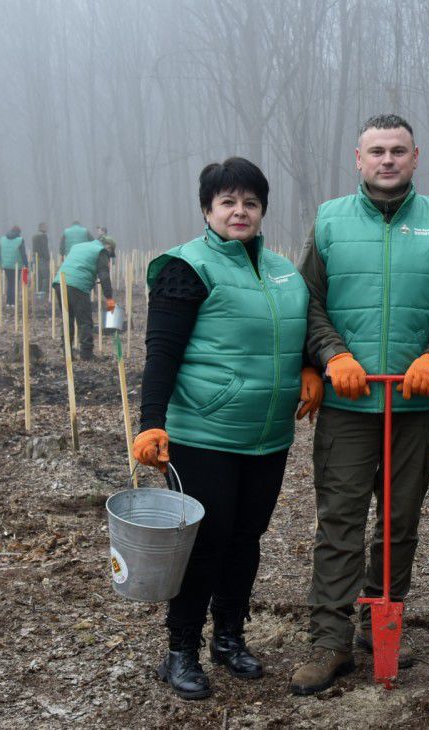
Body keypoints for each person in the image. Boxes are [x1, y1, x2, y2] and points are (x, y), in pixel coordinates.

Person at [291, 113, 429, 695]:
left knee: (399, 522)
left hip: (414, 401)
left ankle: (383, 623)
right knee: (340, 521)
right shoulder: (329, 220)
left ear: (416, 156)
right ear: (358, 158)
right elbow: (308, 299)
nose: (387, 160)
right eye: (376, 150)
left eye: (398, 150)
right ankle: (329, 640)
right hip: (350, 404)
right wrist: (330, 355)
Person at [130, 157, 321, 701]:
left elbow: (299, 330)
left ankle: (229, 638)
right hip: (203, 433)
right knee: (204, 544)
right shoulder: (185, 267)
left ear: (263, 210)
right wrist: (151, 423)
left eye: (251, 203)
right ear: (207, 209)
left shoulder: (284, 271)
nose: (240, 211)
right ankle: (180, 651)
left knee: (245, 540)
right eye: (228, 202)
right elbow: (161, 351)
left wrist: (310, 367)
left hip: (268, 435)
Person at [52, 233, 115, 360]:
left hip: (60, 282)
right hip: (77, 286)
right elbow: (104, 275)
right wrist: (109, 298)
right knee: (84, 321)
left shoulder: (79, 246)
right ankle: (86, 354)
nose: (109, 256)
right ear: (107, 246)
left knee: (67, 318)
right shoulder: (101, 251)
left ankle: (67, 354)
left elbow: (81, 265)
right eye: (110, 252)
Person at [0, 226, 28, 305]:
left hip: (6, 265)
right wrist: (26, 264)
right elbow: (23, 254)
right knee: (14, 284)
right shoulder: (20, 240)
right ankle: (13, 303)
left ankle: (8, 302)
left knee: (9, 283)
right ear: (18, 232)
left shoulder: (3, 239)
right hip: (16, 265)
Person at [31, 223, 50, 296]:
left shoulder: (34, 236)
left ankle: (38, 292)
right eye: (45, 227)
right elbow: (44, 248)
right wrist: (47, 257)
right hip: (42, 258)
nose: (46, 228)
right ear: (42, 227)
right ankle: (43, 293)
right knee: (45, 276)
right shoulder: (43, 236)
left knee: (38, 276)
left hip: (35, 258)